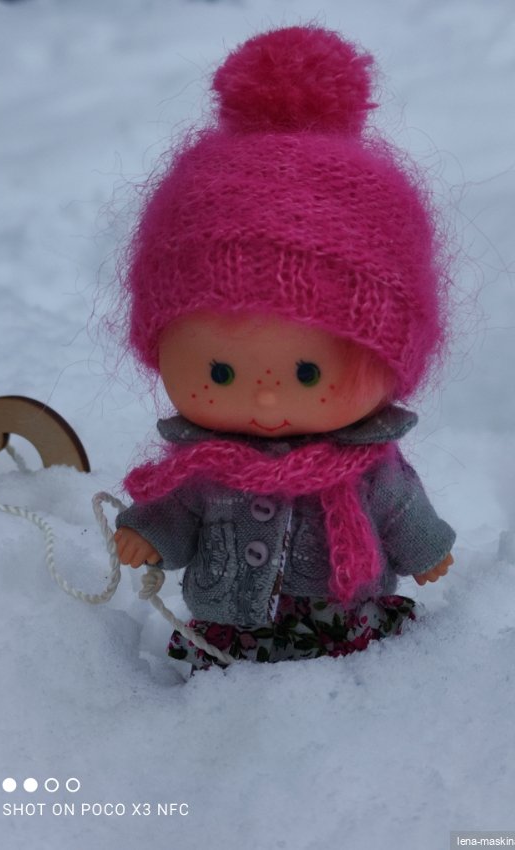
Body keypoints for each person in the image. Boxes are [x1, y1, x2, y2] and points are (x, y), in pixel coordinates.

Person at [113, 25, 456, 671]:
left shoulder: (368, 465)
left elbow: (401, 505)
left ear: (392, 361)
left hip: (344, 626)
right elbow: (176, 511)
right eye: (220, 371)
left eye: (307, 372)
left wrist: (426, 548)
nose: (267, 396)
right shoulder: (206, 468)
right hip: (230, 630)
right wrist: (145, 534)